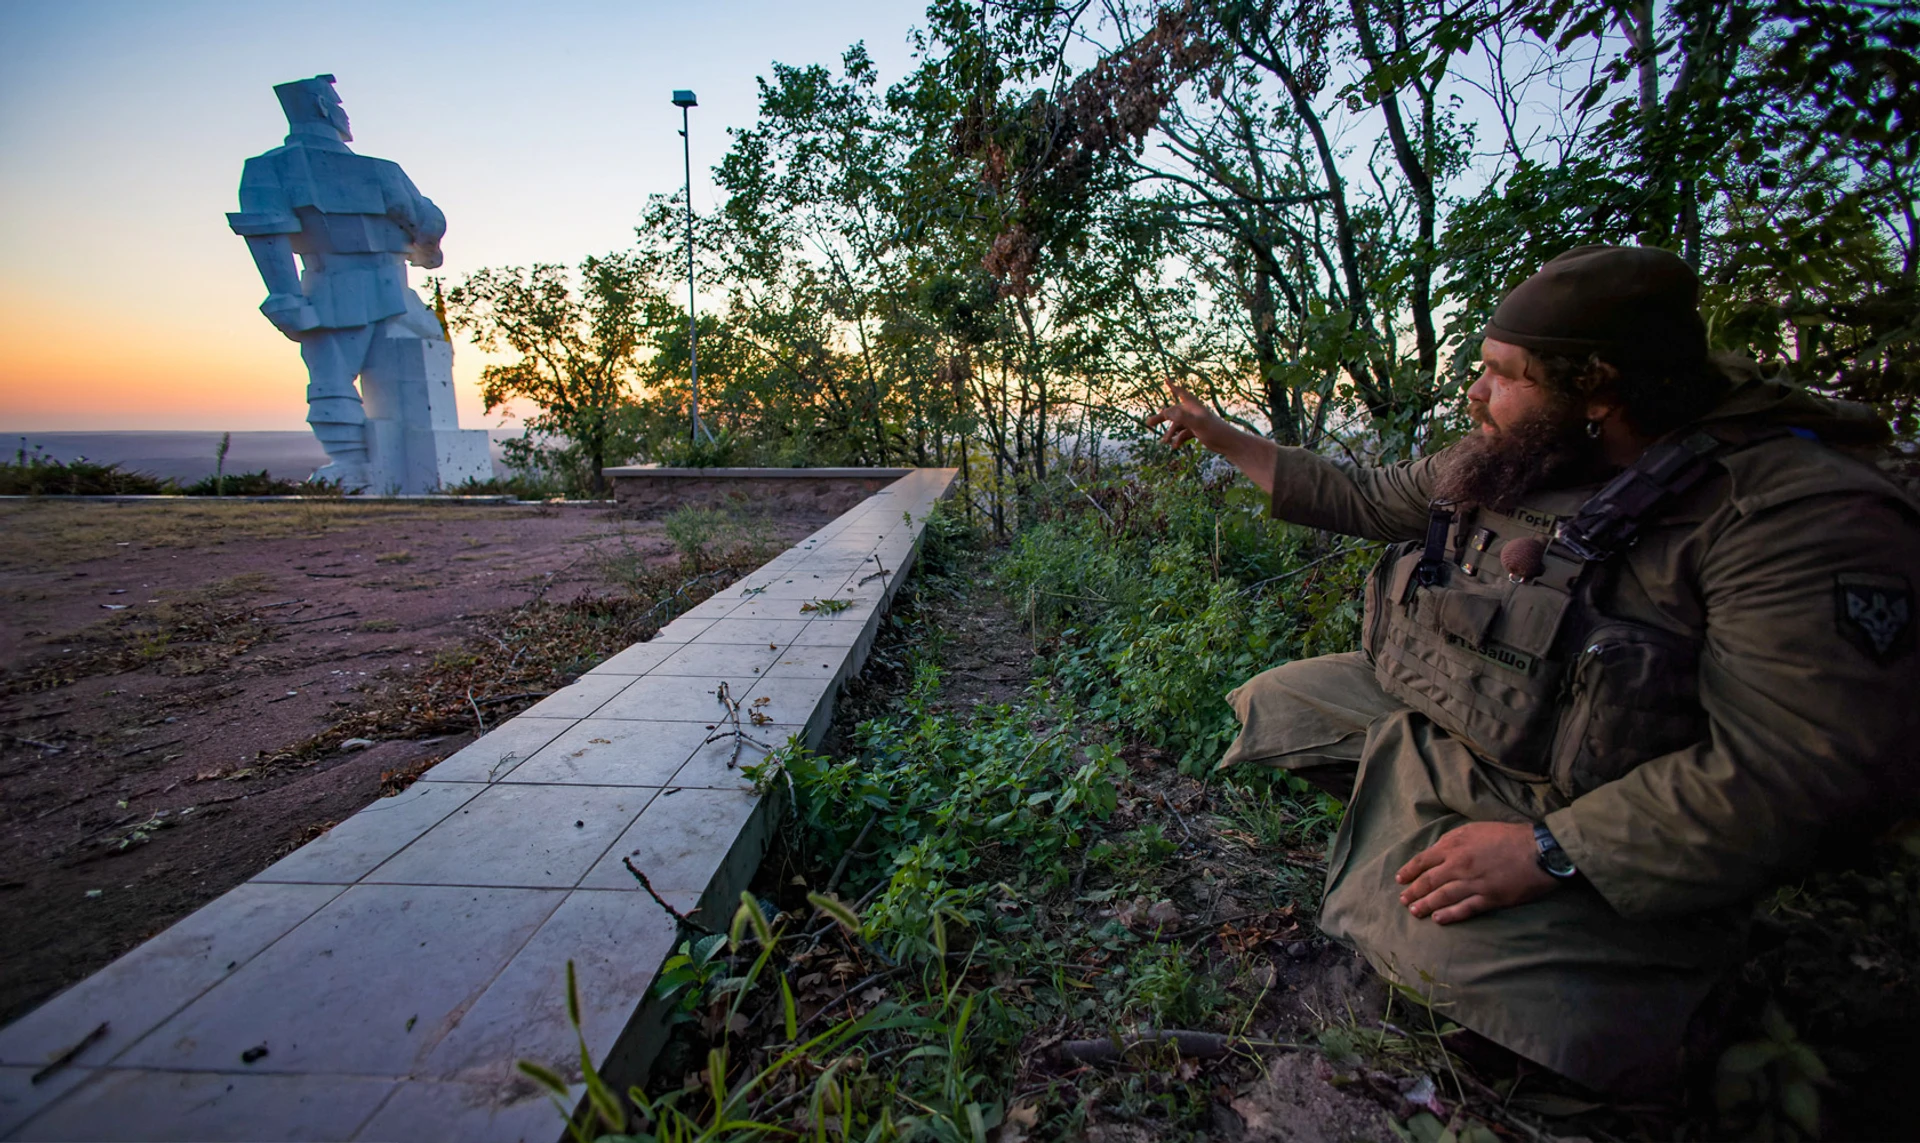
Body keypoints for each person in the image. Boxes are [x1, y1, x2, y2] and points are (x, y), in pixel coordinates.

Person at [1147, 245, 1920, 1095]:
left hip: (1600, 796)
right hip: (1484, 721)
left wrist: (1550, 851)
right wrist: (1222, 436)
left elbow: (1799, 772)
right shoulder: (1518, 457)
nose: (1475, 395)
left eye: (1502, 375)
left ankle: (1613, 947)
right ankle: (1429, 830)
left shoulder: (1786, 517)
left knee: (1462, 981)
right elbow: (1363, 494)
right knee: (1280, 704)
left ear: (1600, 386)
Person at [227, 75, 449, 489]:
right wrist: (287, 298)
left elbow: (269, 235)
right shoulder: (381, 171)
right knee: (332, 381)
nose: (345, 113)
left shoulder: (267, 169)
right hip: (365, 290)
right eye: (339, 105)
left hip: (344, 289)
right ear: (324, 108)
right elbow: (426, 226)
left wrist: (287, 297)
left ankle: (359, 466)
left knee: (333, 380)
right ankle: (355, 467)